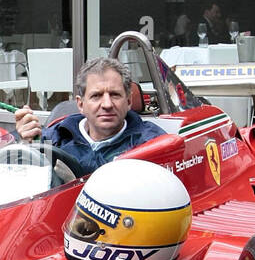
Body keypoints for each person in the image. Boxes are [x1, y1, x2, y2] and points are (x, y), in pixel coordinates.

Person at [13, 57, 166, 174]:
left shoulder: (151, 142)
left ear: (129, 101)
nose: (107, 104)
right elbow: (18, 176)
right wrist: (25, 142)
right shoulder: (57, 137)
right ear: (80, 104)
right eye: (96, 96)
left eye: (114, 95)